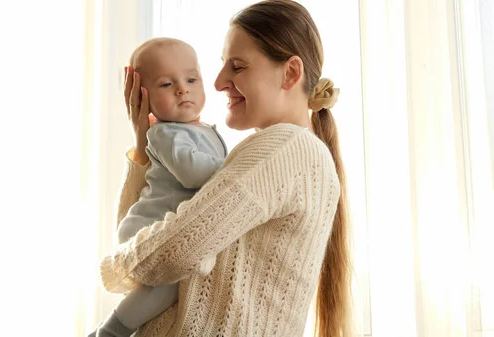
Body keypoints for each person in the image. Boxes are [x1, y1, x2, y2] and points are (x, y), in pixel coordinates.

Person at [98, 0, 353, 336]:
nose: (218, 82)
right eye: (221, 66)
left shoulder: (286, 148)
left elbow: (172, 253)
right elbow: (150, 227)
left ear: (290, 73)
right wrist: (146, 148)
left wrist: (114, 263)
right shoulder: (270, 154)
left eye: (238, 66)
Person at [91, 38, 227, 337]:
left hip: (171, 225)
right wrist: (238, 167)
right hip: (149, 225)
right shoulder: (164, 133)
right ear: (143, 98)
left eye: (191, 79)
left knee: (177, 282)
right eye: (166, 84)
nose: (182, 88)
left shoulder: (204, 130)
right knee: (168, 285)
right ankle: (113, 330)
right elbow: (194, 174)